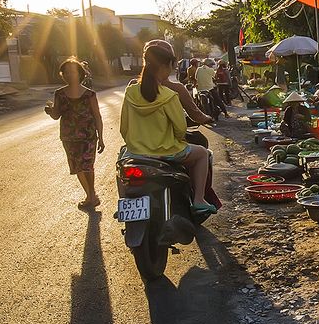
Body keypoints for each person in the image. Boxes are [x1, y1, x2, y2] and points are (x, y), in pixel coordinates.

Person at [120, 42, 216, 216]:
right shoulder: (171, 94)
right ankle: (199, 200)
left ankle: (124, 201)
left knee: (121, 166)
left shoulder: (131, 91)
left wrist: (135, 143)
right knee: (202, 153)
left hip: (136, 152)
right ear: (166, 65)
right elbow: (180, 129)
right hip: (166, 151)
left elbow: (124, 128)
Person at [45, 57, 105, 208]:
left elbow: (97, 116)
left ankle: (91, 196)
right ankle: (91, 196)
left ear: (80, 73)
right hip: (69, 137)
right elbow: (56, 115)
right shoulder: (59, 94)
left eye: (72, 71)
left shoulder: (90, 94)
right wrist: (50, 111)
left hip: (88, 137)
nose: (69, 75)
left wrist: (101, 138)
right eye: (65, 72)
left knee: (87, 166)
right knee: (77, 167)